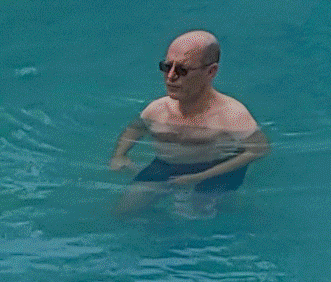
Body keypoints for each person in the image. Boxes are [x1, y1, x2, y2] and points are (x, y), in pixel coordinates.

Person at [108, 30, 266, 216]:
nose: (171, 77)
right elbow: (136, 128)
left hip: (215, 168)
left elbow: (259, 149)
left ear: (211, 71)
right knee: (122, 213)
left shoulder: (231, 115)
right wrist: (120, 155)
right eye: (167, 67)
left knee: (206, 213)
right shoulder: (157, 109)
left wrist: (199, 177)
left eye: (182, 70)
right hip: (166, 165)